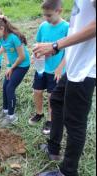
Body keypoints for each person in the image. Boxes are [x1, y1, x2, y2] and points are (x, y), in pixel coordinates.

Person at [33, 0, 96, 175]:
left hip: (86, 68)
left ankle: (68, 171)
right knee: (56, 99)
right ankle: (53, 149)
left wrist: (56, 45)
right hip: (75, 63)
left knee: (75, 121)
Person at [29, 0, 69, 135]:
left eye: (49, 15)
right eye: (44, 15)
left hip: (56, 70)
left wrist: (60, 68)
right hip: (42, 67)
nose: (46, 18)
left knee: (52, 96)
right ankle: (39, 113)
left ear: (59, 11)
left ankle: (51, 120)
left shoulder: (66, 27)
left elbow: (69, 51)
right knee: (37, 91)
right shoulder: (43, 26)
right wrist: (34, 55)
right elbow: (37, 43)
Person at [0, 16, 30, 127]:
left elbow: (22, 56)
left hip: (22, 65)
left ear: (2, 29)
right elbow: (4, 48)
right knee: (5, 85)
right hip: (13, 65)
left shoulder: (14, 38)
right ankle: (5, 111)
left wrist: (11, 67)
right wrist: (8, 66)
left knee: (10, 87)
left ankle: (12, 116)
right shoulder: (2, 38)